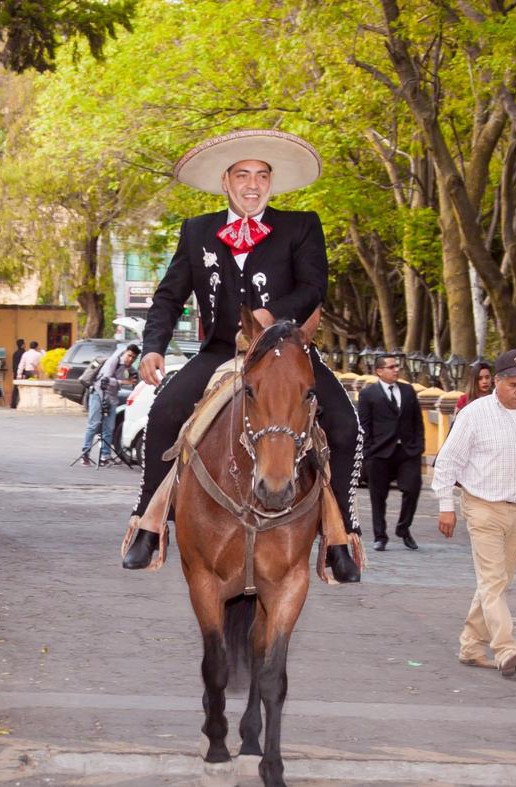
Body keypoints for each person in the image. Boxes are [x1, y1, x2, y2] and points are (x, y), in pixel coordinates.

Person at [120, 129, 363, 582]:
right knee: (165, 410)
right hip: (219, 352)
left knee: (347, 424)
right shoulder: (197, 231)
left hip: (285, 352)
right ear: (226, 181)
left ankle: (340, 534)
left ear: (271, 183)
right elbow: (170, 296)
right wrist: (153, 346)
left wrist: (277, 314)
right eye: (243, 175)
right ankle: (148, 524)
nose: (253, 184)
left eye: (262, 175)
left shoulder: (301, 224)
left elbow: (314, 287)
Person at [433, 349, 516, 678]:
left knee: (497, 583)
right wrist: (445, 507)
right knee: (493, 582)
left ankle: (470, 645)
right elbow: (448, 462)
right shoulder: (475, 414)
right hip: (482, 507)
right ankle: (506, 648)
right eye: (515, 385)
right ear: (498, 382)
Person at [357, 354, 424, 551]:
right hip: (379, 453)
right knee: (378, 497)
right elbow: (364, 425)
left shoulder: (408, 390)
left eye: (397, 366)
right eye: (391, 366)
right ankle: (380, 536)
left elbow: (418, 422)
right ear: (379, 371)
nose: (396, 369)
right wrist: (367, 453)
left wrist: (418, 447)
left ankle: (404, 528)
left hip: (407, 451)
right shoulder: (368, 394)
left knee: (412, 488)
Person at [80, 343, 139, 467]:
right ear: (125, 353)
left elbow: (134, 377)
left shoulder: (128, 367)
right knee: (94, 425)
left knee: (109, 427)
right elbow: (104, 380)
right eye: (129, 356)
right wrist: (124, 382)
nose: (130, 359)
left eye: (133, 357)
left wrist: (134, 377)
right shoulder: (114, 360)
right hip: (99, 394)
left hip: (112, 398)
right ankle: (85, 454)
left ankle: (105, 457)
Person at [10, 339, 26, 408]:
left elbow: (13, 364)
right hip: (22, 373)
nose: (25, 345)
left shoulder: (15, 353)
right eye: (24, 344)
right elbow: (23, 364)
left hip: (16, 372)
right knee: (23, 388)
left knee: (15, 389)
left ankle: (13, 404)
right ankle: (22, 403)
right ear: (22, 345)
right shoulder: (24, 353)